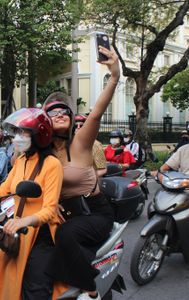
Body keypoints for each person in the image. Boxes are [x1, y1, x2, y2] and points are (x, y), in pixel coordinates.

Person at [44, 46, 118, 300]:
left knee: (64, 235)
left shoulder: (80, 143)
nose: (58, 114)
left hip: (94, 213)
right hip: (64, 215)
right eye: (51, 113)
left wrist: (115, 76)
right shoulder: (43, 154)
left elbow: (96, 112)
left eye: (63, 110)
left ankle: (91, 289)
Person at [0, 108, 67, 300]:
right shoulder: (21, 160)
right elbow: (2, 191)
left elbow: (50, 209)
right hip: (17, 229)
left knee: (35, 287)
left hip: (42, 233)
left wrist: (25, 221)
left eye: (23, 132)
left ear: (40, 134)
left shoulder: (51, 164)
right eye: (16, 132)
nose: (16, 138)